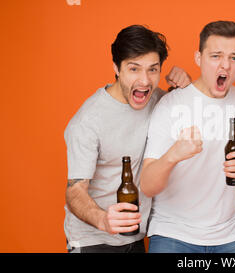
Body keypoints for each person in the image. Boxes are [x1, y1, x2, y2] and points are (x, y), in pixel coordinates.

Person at [139, 21, 235, 253]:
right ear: (198, 58)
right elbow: (147, 185)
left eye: (234, 58)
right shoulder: (172, 104)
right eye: (216, 56)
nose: (225, 65)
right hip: (173, 233)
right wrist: (173, 155)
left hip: (229, 234)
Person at [64, 24, 191, 253]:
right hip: (93, 240)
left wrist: (186, 84)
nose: (144, 80)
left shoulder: (156, 100)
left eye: (153, 69)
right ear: (116, 67)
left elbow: (185, 108)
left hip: (134, 236)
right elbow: (75, 191)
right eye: (134, 69)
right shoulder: (87, 121)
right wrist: (103, 220)